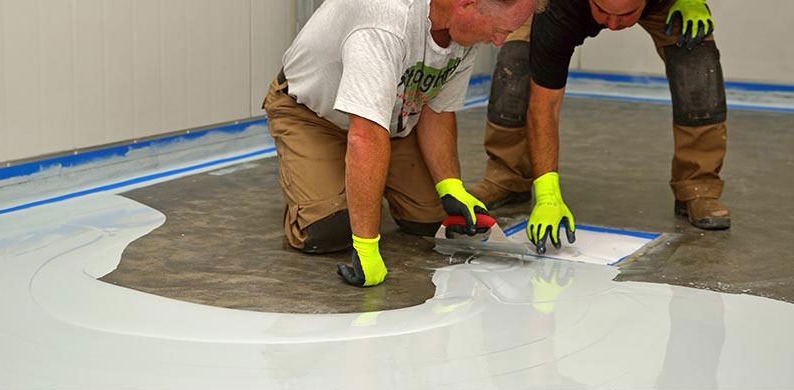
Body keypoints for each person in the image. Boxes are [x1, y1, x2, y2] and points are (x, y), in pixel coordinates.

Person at [263, 0, 539, 287]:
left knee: (429, 219)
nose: (498, 42)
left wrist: (450, 186)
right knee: (329, 229)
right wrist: (367, 247)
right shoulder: (385, 18)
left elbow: (436, 108)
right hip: (314, 114)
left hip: (392, 118)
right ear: (466, 4)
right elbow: (365, 135)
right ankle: (324, 183)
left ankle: (360, 182)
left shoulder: (461, 32)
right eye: (498, 30)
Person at [467, 0, 729, 254]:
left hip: (666, 3)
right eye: (602, 11)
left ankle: (698, 187)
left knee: (696, 60)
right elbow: (544, 105)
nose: (613, 25)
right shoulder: (559, 9)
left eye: (626, 14)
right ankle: (507, 177)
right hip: (565, 6)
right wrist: (548, 193)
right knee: (517, 60)